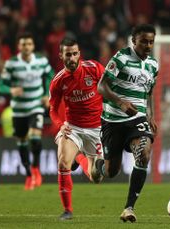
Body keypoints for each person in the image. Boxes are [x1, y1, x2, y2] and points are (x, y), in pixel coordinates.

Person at [95, 24, 159, 223]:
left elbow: (149, 92)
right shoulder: (121, 58)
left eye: (151, 42)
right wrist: (121, 102)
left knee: (144, 153)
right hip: (113, 119)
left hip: (137, 118)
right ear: (134, 41)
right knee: (112, 171)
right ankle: (99, 166)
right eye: (144, 41)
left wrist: (150, 114)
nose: (148, 45)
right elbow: (101, 86)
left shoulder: (153, 65)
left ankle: (129, 208)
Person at [49, 37, 105, 220]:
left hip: (96, 129)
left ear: (79, 54)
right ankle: (67, 210)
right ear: (61, 56)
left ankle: (79, 158)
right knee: (63, 162)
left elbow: (110, 89)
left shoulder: (94, 68)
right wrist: (60, 125)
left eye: (74, 54)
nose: (72, 58)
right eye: (68, 54)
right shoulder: (58, 81)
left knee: (96, 176)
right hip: (72, 128)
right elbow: (52, 109)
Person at [0, 32, 54, 190]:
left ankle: (36, 168)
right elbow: (1, 85)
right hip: (18, 110)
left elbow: (51, 76)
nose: (26, 47)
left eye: (29, 44)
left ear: (33, 46)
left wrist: (46, 94)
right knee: (22, 142)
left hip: (36, 106)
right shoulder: (11, 63)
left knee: (35, 138)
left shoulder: (41, 61)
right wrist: (11, 90)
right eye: (23, 44)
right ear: (19, 47)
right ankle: (29, 174)